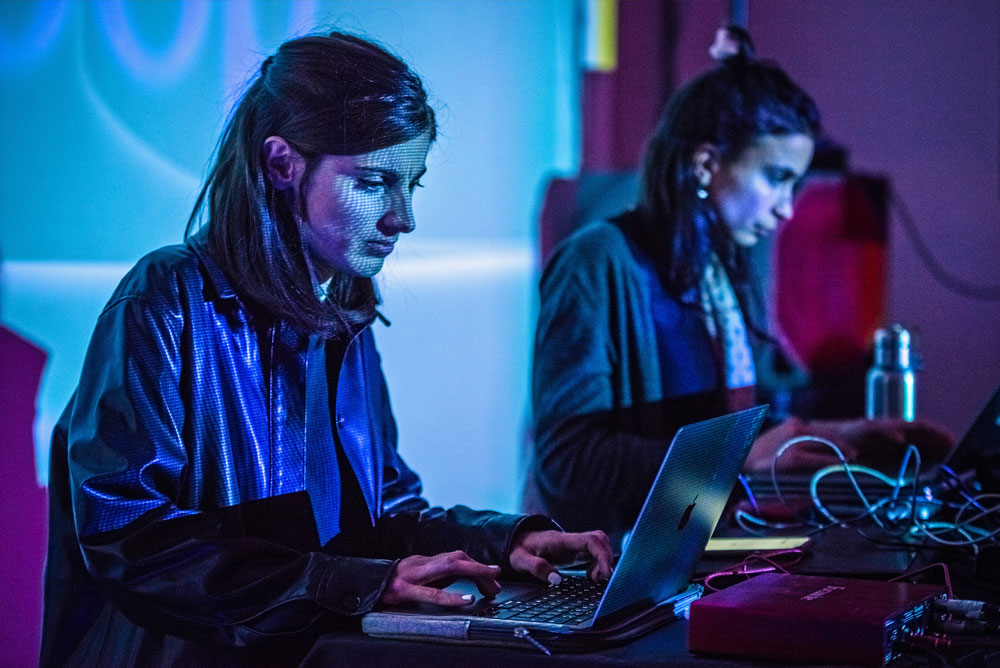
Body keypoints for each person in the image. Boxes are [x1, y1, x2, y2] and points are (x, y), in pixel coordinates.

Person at [41, 31, 612, 668]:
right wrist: (356, 584)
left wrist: (508, 539)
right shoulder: (166, 297)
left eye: (411, 185)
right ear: (282, 164)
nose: (403, 218)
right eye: (372, 182)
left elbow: (382, 516)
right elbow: (131, 537)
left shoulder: (339, 311)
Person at [526, 28, 952, 542]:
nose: (787, 207)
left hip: (693, 559)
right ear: (706, 164)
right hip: (608, 576)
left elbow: (736, 423)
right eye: (776, 177)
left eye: (794, 183)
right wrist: (734, 458)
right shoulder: (597, 262)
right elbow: (568, 464)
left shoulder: (722, 266)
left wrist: (835, 435)